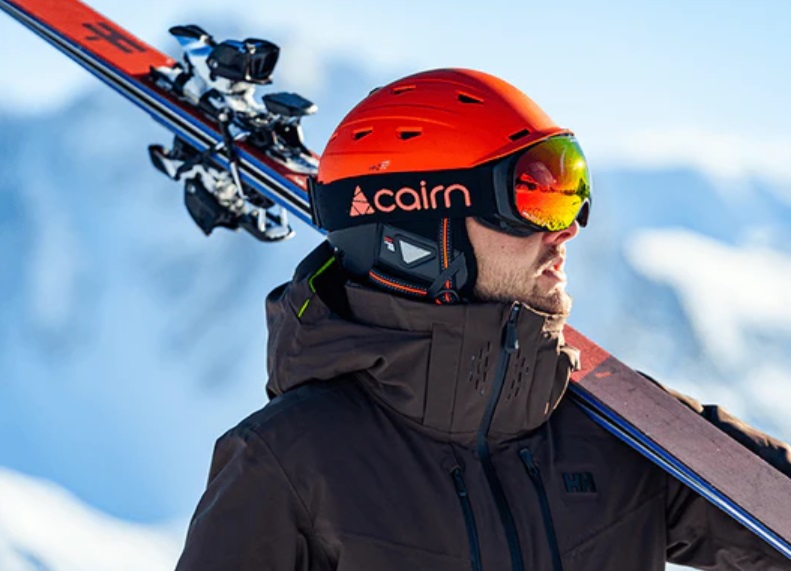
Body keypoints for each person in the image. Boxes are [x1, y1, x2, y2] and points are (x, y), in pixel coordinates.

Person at [176, 69, 791, 570]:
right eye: (535, 195)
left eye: (569, 188)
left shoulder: (620, 430)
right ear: (424, 232)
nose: (568, 228)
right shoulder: (288, 463)